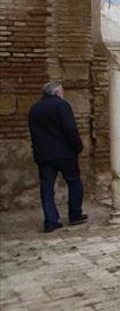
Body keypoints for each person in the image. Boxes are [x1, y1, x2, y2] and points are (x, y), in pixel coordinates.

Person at [28, 81, 88, 233]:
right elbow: (70, 128)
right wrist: (78, 147)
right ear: (56, 92)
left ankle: (50, 221)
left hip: (44, 155)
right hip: (64, 153)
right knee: (74, 182)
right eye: (61, 91)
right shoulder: (61, 105)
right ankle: (75, 215)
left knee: (47, 188)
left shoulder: (34, 108)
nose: (63, 94)